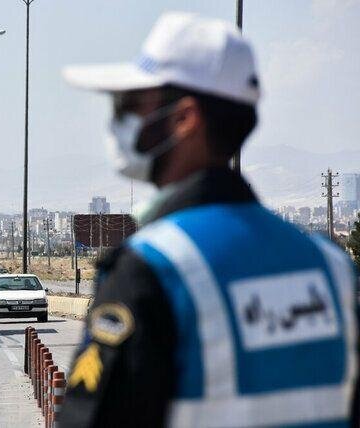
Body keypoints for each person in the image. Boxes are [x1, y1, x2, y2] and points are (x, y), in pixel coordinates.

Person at [58, 12, 358, 427]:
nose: (118, 122)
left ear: (185, 119)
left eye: (130, 106)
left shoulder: (153, 270)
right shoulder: (332, 268)